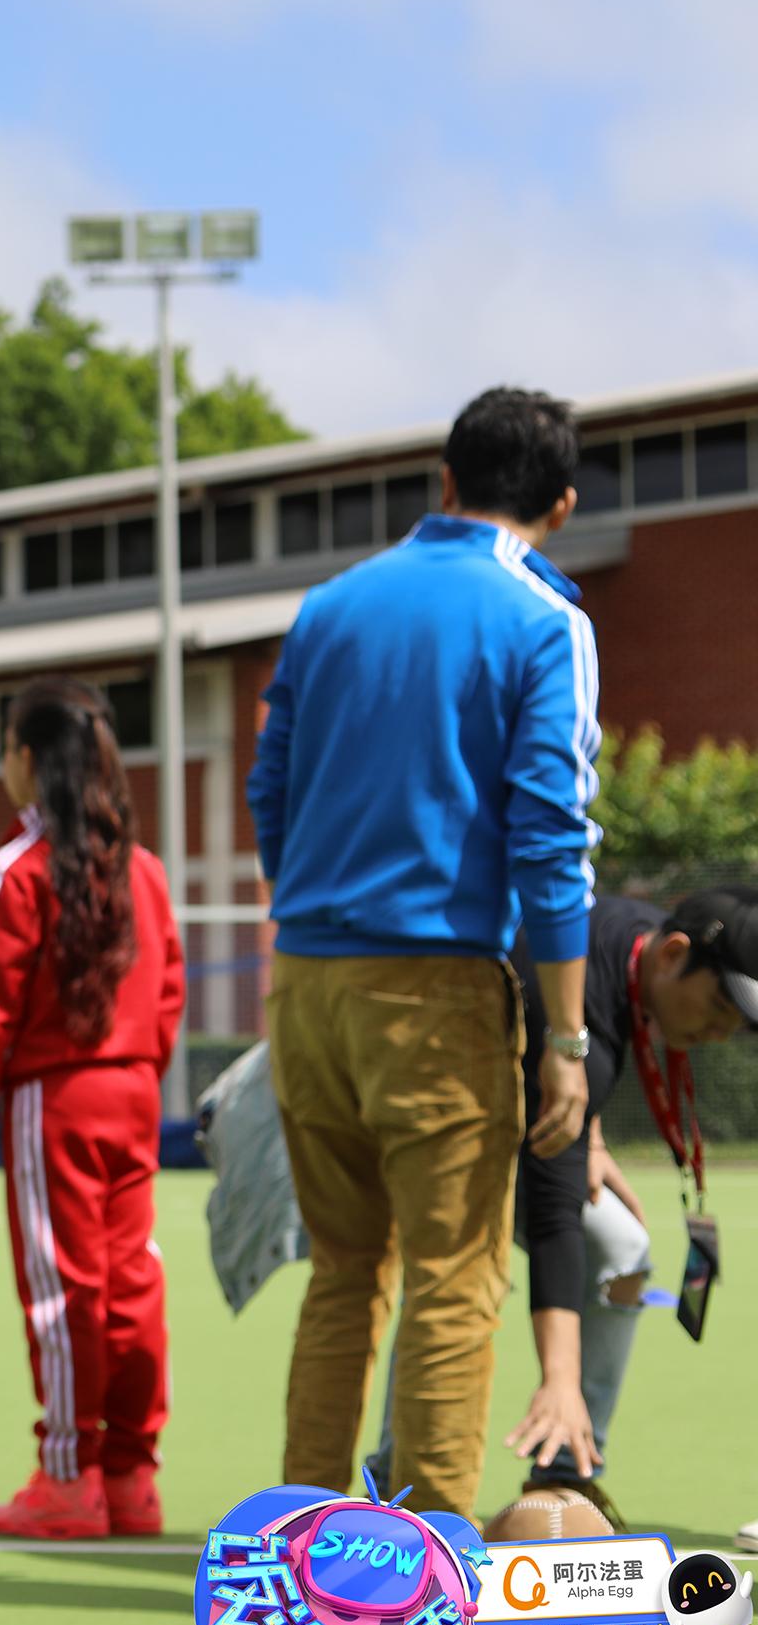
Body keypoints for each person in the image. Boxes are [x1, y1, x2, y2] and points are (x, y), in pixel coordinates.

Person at [250, 385, 604, 1520]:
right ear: (561, 504)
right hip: (439, 987)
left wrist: (316, 908)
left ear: (444, 483)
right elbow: (554, 838)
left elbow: (270, 790)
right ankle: (427, 1576)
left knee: (345, 1274)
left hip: (306, 980)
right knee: (455, 1278)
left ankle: (294, 1549)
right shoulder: (544, 620)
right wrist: (566, 1035)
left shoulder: (330, 605)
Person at [367, 884, 758, 1519]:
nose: (722, 1031)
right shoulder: (589, 1029)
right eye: (719, 1005)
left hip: (507, 1106)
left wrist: (591, 1130)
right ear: (672, 954)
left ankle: (565, 1475)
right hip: (413, 1107)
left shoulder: (637, 935)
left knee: (621, 1249)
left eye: (737, 1021)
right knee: (454, 1277)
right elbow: (553, 1219)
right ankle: (393, 1493)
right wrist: (560, 1378)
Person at [0, 678, 186, 1540]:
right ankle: (131, 1478)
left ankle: (67, 1480)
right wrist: (140, 1075)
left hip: (52, 1099)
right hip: (134, 1097)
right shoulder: (148, 871)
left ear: (27, 759)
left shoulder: (14, 873)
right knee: (131, 1285)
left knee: (63, 1292)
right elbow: (168, 995)